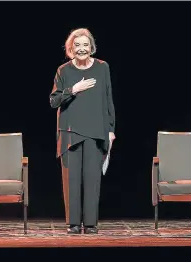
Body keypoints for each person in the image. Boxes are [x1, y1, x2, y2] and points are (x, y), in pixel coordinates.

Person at [49, 28, 116, 234]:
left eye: (85, 45)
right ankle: (74, 223)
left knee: (92, 179)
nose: (81, 49)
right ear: (70, 49)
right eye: (77, 45)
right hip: (70, 132)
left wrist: (111, 129)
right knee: (72, 180)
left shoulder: (103, 68)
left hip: (96, 131)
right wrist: (73, 90)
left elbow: (108, 98)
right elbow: (53, 101)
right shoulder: (64, 71)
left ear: (91, 47)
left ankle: (90, 223)